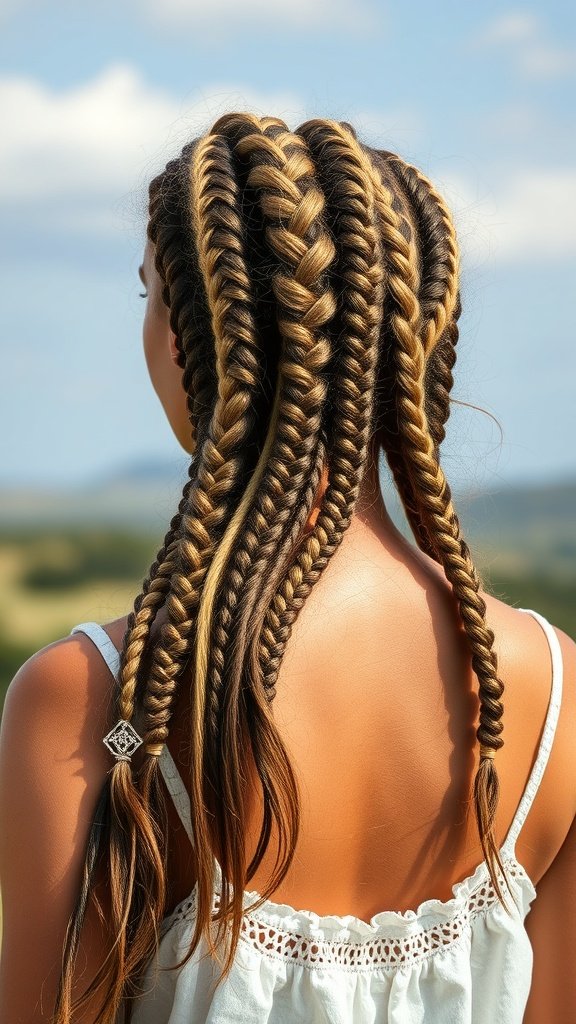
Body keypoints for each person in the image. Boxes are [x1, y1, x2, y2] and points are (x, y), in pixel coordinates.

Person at [0, 112, 574, 1024]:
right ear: (413, 345)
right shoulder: (555, 694)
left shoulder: (93, 702)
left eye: (150, 293)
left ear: (195, 334)